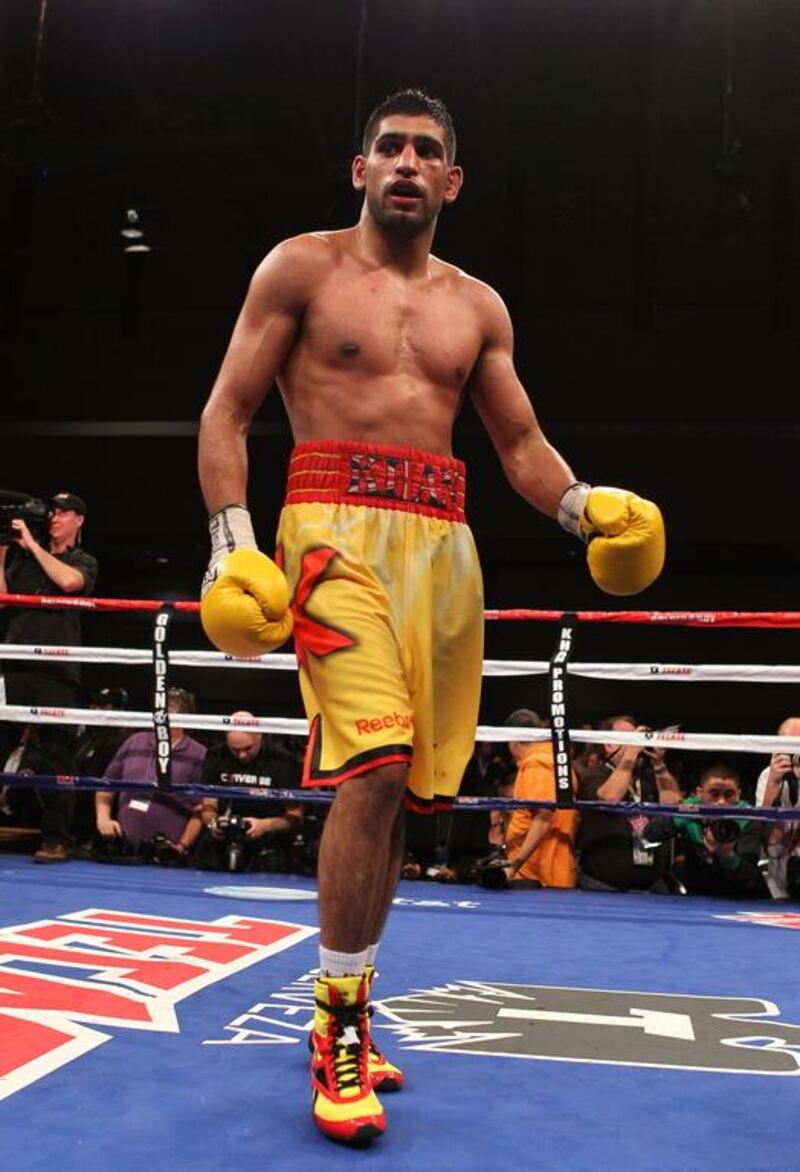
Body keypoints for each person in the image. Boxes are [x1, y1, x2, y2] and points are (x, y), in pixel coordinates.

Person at [196, 88, 666, 1146]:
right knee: (369, 762)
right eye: (389, 147)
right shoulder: (299, 268)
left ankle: (352, 993)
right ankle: (338, 1029)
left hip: (442, 549)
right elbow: (226, 409)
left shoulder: (477, 307)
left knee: (404, 789)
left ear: (450, 182)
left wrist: (582, 504)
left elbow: (516, 443)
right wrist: (231, 548)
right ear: (358, 168)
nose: (406, 162)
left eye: (427, 151)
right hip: (326, 534)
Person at [0, 491, 98, 863]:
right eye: (52, 512)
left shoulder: (82, 560)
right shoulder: (22, 559)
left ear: (79, 520)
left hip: (57, 670)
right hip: (14, 663)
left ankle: (56, 839)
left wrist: (30, 544)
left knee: (58, 754)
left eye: (64, 513)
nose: (55, 518)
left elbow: (70, 583)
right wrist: (4, 552)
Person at [95, 687, 205, 862]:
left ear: (185, 717)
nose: (161, 715)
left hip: (168, 853)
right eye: (160, 709)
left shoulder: (198, 753)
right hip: (124, 848)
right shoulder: (134, 741)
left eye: (169, 710)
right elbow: (105, 787)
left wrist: (182, 846)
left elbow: (201, 809)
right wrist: (103, 820)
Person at [577, 714, 681, 892]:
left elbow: (673, 805)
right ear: (608, 745)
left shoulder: (647, 776)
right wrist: (631, 751)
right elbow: (609, 799)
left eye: (637, 736)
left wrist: (658, 764)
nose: (637, 742)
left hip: (650, 886)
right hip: (602, 886)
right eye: (627, 737)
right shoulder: (595, 774)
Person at [194, 715, 303, 872]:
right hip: (223, 841)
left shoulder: (283, 760)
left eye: (248, 748)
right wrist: (214, 823)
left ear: (260, 736)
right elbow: (209, 804)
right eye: (235, 750)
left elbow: (295, 815)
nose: (242, 755)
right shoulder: (216, 756)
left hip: (269, 843)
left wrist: (265, 825)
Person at [648, 763, 768, 899]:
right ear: (700, 793)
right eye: (714, 794)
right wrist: (684, 816)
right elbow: (650, 834)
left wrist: (727, 856)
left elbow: (751, 879)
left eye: (729, 794)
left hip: (738, 899)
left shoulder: (748, 820)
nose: (721, 802)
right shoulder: (690, 810)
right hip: (696, 897)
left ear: (738, 794)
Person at [490, 708, 578, 889]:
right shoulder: (557, 761)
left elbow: (544, 816)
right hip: (548, 871)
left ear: (513, 740)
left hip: (536, 875)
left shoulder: (537, 762)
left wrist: (514, 866)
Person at [755, 716, 800, 899]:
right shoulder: (768, 776)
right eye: (790, 746)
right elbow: (767, 837)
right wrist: (774, 783)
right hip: (777, 877)